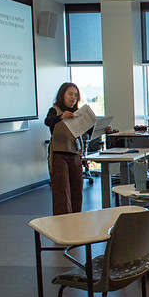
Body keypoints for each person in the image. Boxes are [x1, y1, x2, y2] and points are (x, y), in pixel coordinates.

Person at [44, 82, 85, 215]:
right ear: (62, 95)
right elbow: (48, 121)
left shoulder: (78, 113)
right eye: (70, 94)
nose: (73, 98)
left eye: (76, 95)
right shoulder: (55, 110)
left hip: (75, 155)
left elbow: (88, 131)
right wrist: (61, 117)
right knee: (62, 193)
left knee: (77, 191)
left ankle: (76, 220)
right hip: (59, 156)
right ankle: (62, 225)